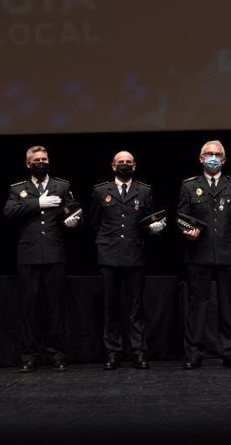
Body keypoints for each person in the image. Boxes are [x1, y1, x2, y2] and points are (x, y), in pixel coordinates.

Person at [3, 145, 81, 373]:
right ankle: (29, 355)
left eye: (44, 159)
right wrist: (36, 203)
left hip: (54, 253)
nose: (41, 162)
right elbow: (8, 212)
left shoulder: (62, 185)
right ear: (28, 163)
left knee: (55, 308)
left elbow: (74, 211)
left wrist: (74, 221)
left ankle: (57, 354)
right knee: (28, 308)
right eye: (36, 159)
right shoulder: (18, 188)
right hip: (28, 255)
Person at [178, 140, 231, 369]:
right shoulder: (189, 186)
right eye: (208, 154)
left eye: (217, 154)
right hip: (198, 255)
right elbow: (181, 218)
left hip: (228, 254)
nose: (213, 157)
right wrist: (186, 231)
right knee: (197, 308)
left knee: (229, 308)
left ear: (224, 159)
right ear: (200, 159)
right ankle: (194, 354)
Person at [90, 151, 165, 370]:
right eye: (120, 162)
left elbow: (150, 221)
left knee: (136, 308)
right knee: (110, 307)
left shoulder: (144, 190)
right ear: (113, 166)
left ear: (135, 165)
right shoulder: (100, 190)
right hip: (109, 254)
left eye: (128, 162)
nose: (124, 165)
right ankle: (113, 353)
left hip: (135, 253)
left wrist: (156, 230)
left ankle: (138, 352)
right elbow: (95, 223)